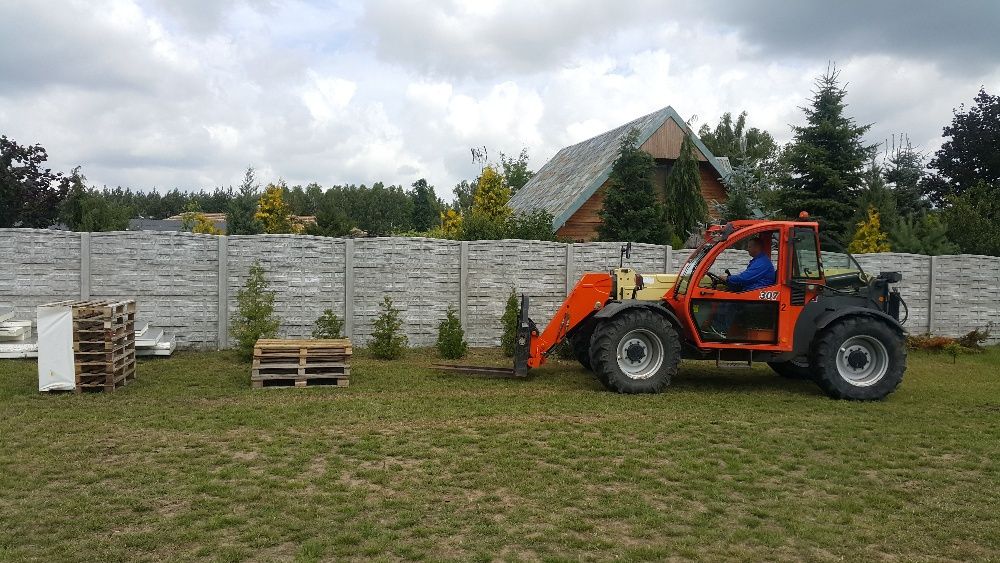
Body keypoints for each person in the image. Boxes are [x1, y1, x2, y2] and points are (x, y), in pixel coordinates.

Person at [706, 236, 776, 339]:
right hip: (752, 293)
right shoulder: (757, 261)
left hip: (757, 298)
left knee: (729, 302)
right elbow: (746, 278)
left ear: (757, 247)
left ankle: (720, 330)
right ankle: (716, 328)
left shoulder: (762, 262)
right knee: (726, 296)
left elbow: (745, 278)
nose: (748, 249)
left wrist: (728, 279)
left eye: (749, 247)